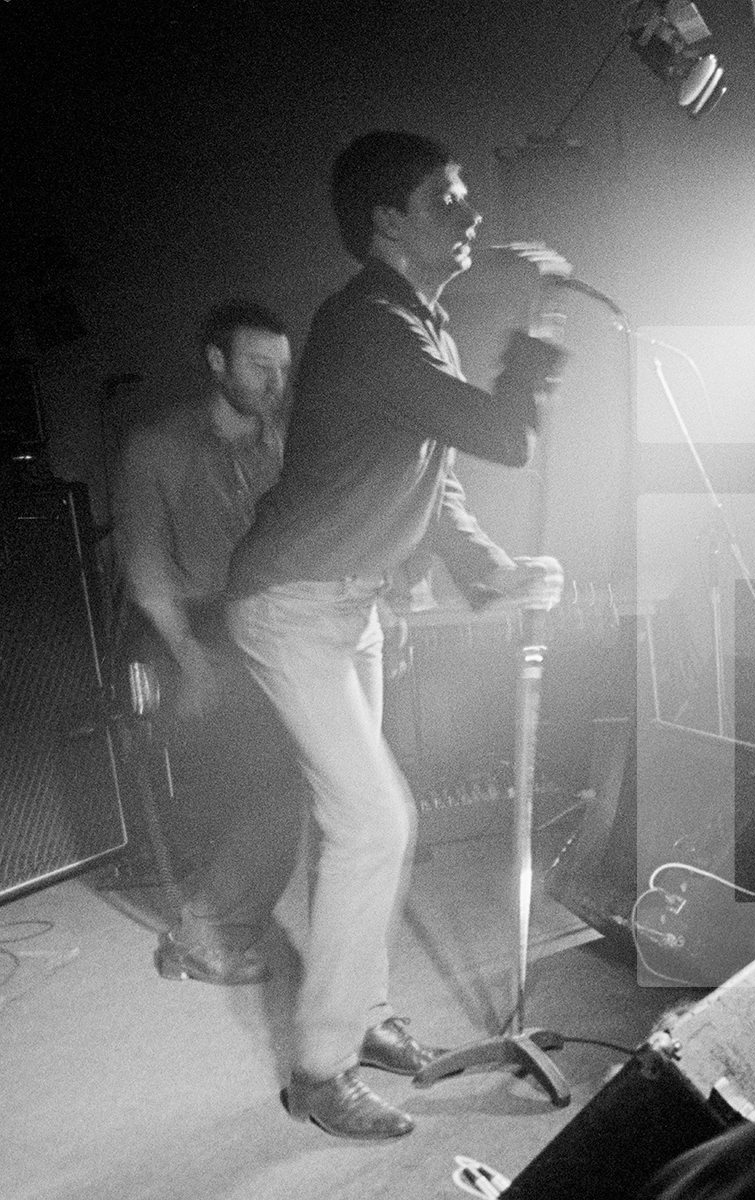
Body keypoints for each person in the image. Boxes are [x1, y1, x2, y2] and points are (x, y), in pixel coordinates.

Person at [224, 131, 570, 1140]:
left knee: (353, 829)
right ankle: (319, 1070)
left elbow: (441, 481)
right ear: (387, 219)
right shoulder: (371, 324)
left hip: (349, 602)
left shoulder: (415, 325)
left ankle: (366, 1018)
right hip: (291, 602)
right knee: (377, 820)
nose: (470, 215)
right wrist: (541, 320)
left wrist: (489, 568)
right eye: (447, 198)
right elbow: (504, 436)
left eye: (466, 197)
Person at [112, 300, 304, 986]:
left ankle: (213, 921)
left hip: (265, 622)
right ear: (216, 362)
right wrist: (190, 659)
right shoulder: (156, 445)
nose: (273, 383)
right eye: (258, 366)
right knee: (275, 780)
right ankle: (202, 934)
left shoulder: (279, 444)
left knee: (288, 777)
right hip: (189, 630)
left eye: (282, 369)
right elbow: (147, 569)